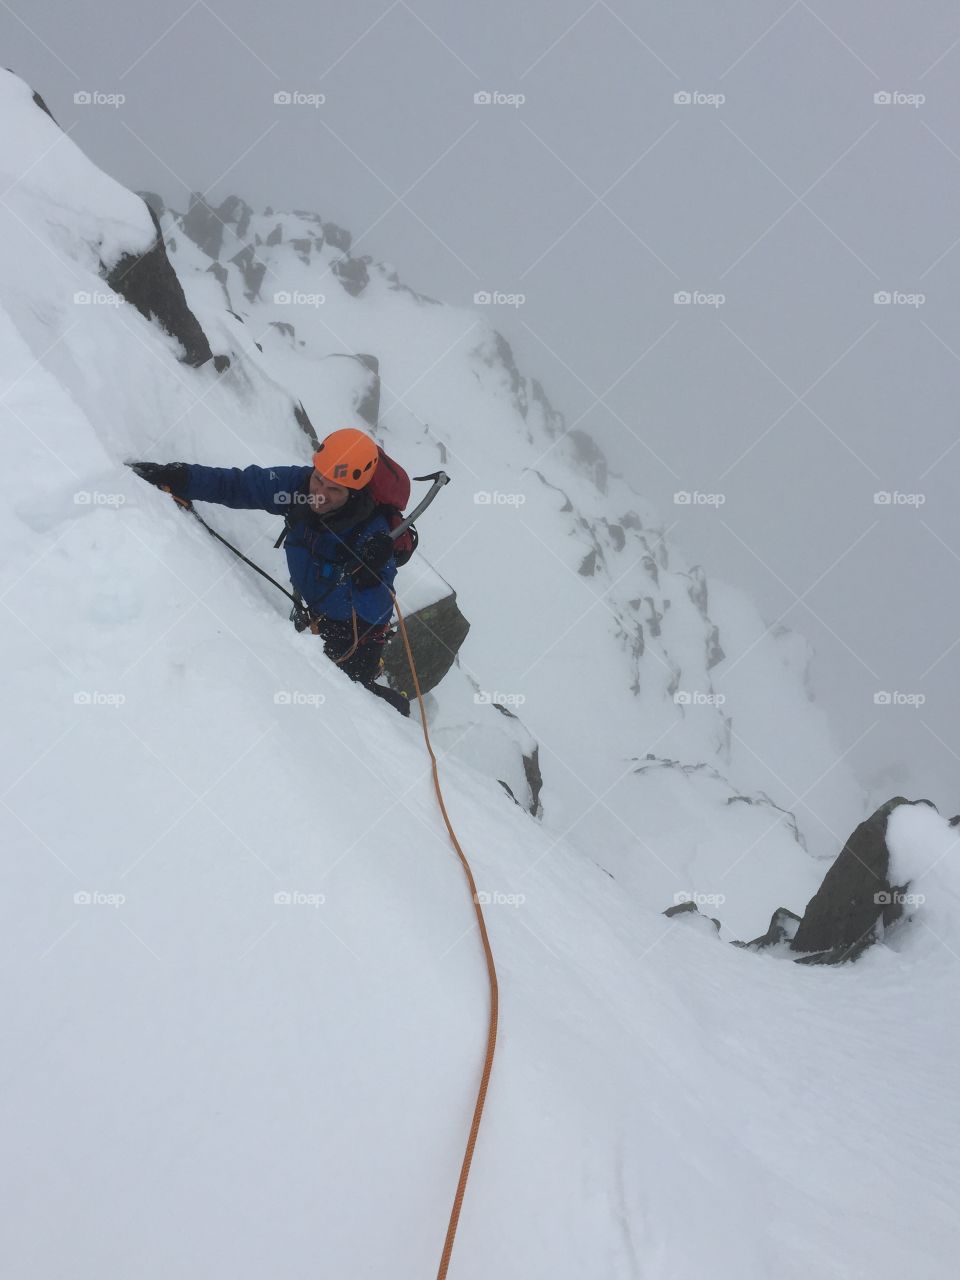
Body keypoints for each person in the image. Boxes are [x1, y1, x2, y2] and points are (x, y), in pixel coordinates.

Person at [130, 427, 410, 716]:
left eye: (334, 490)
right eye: (318, 479)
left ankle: (395, 704)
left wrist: (370, 576)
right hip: (312, 608)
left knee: (348, 703)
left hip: (354, 636)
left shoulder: (371, 535)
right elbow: (240, 486)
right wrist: (182, 478)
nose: (319, 494)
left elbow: (379, 611)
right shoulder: (297, 488)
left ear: (354, 493)